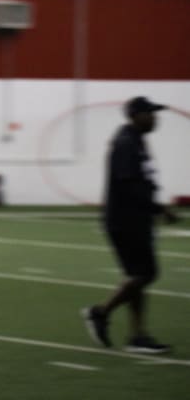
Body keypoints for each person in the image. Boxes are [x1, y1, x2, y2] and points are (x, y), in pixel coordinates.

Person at [83, 96, 179, 354]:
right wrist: (159, 208)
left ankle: (138, 336)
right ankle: (100, 312)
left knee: (137, 275)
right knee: (145, 274)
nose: (155, 118)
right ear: (136, 115)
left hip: (134, 219)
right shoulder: (126, 143)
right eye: (150, 113)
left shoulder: (135, 140)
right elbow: (129, 186)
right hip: (127, 220)